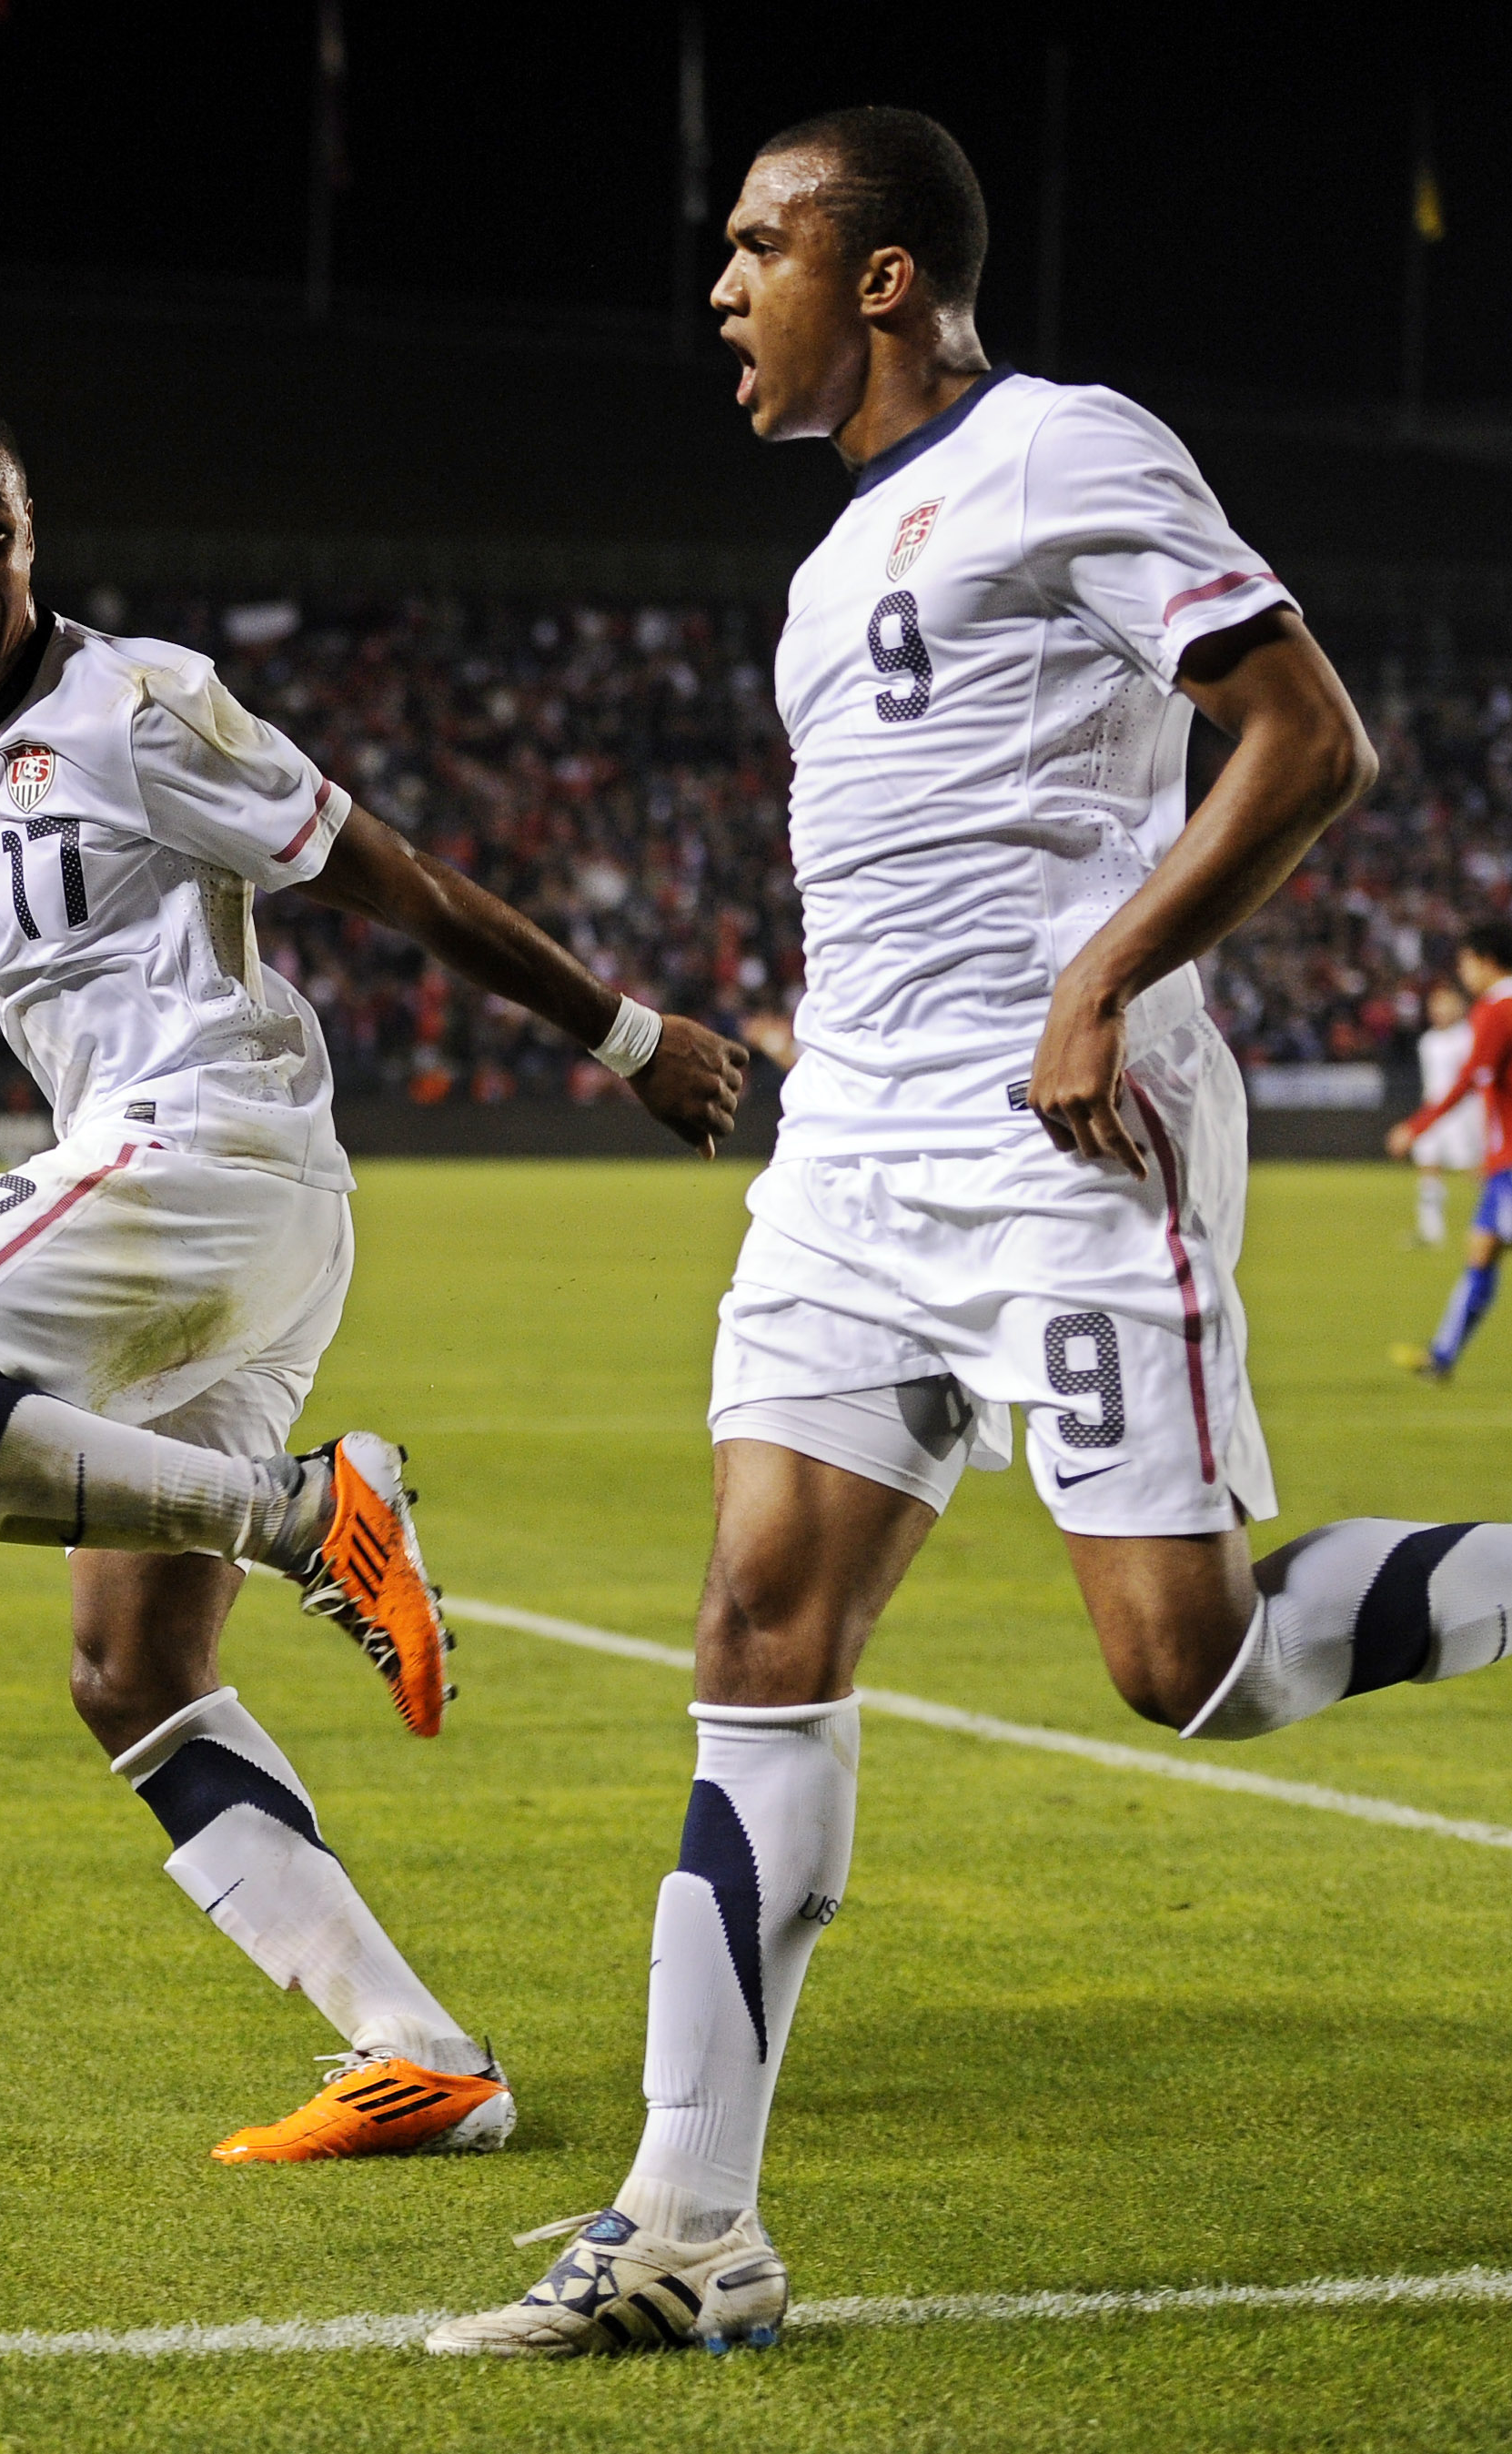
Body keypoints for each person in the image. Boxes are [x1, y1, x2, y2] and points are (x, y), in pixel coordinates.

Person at [429, 107, 1512, 2359]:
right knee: (756, 1619)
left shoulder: (1066, 447)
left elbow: (1308, 741)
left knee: (1181, 1666)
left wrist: (1097, 977)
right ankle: (687, 2225)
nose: (723, 289)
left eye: (759, 247)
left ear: (887, 274)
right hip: (853, 1159)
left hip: (1064, 1137)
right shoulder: (834, 566)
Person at [0, 386, 746, 2168]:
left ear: (35, 533)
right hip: (186, 1216)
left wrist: (625, 1034)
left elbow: (403, 882)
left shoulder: (145, 705)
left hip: (212, 1154)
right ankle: (422, 2050)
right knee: (131, 1672)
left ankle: (310, 1515)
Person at [1387, 922, 1512, 1378]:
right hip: (1503, 1164)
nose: (1462, 973)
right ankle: (1442, 1357)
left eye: (1464, 962)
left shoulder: (1497, 1009)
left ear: (1483, 959)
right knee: (1481, 1250)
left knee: (1483, 1251)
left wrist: (1415, 1127)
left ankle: (1442, 1356)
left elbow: (1469, 1082)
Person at [1406, 978, 1483, 1248]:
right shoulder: (1427, 1041)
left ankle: (1504, 1214)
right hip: (1432, 1114)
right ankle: (1431, 1231)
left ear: (1458, 1007)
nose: (1438, 1010)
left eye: (1445, 1004)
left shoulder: (1468, 1036)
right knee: (1428, 1165)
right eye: (1435, 1005)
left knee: (1473, 1169)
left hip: (1461, 1115)